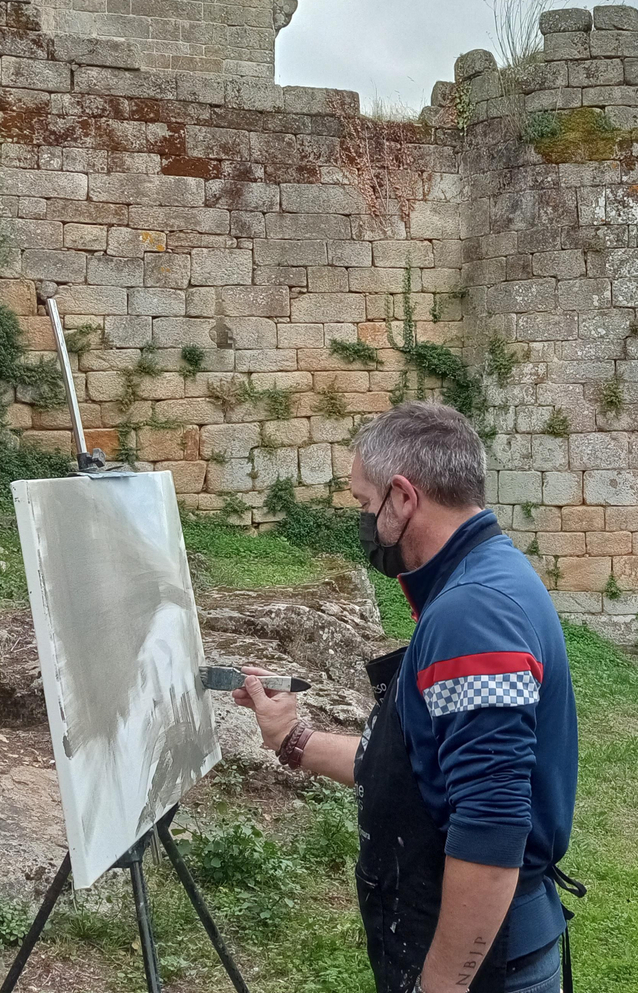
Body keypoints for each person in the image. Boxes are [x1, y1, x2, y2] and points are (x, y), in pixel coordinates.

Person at [235, 401, 580, 993]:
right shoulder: (483, 578)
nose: (364, 521)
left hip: (488, 967)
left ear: (402, 496)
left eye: (364, 503)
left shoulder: (472, 614)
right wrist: (291, 739)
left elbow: (491, 829)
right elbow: (420, 771)